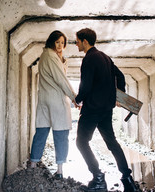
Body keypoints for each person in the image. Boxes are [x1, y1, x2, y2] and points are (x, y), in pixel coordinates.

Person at [74, 28, 139, 192]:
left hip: (92, 109)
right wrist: (119, 96)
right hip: (106, 109)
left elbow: (86, 86)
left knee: (81, 142)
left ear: (85, 41)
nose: (76, 44)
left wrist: (77, 99)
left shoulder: (89, 59)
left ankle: (98, 177)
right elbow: (121, 76)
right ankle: (127, 178)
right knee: (112, 143)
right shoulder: (105, 57)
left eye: (77, 41)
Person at [29, 30, 76, 179]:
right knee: (61, 134)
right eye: (57, 42)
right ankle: (60, 170)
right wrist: (75, 97)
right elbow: (61, 79)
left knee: (41, 131)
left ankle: (33, 164)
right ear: (51, 42)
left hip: (45, 99)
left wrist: (62, 59)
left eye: (62, 43)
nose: (60, 45)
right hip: (56, 100)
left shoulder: (47, 56)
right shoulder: (51, 56)